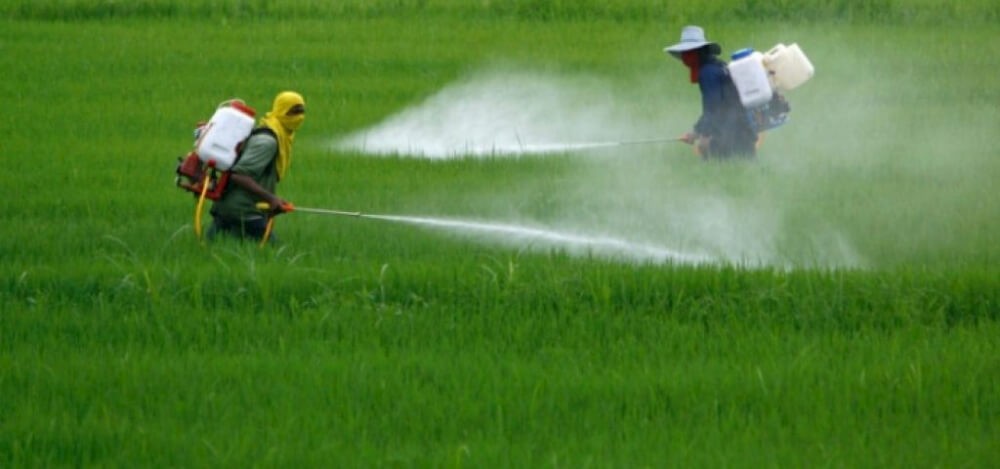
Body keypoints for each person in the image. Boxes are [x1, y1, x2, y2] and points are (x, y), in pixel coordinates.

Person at [208, 91, 306, 243]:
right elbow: (239, 175)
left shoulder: (275, 134)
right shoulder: (267, 142)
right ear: (281, 111)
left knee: (213, 249)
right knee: (276, 254)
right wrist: (271, 198)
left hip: (228, 207)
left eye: (301, 111)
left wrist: (272, 202)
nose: (299, 117)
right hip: (243, 210)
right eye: (293, 112)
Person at [664, 25, 757, 159]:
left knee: (719, 171)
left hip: (731, 134)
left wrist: (698, 133)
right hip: (743, 131)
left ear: (697, 53)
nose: (685, 58)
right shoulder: (719, 66)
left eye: (688, 53)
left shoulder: (707, 73)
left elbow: (713, 109)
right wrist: (698, 132)